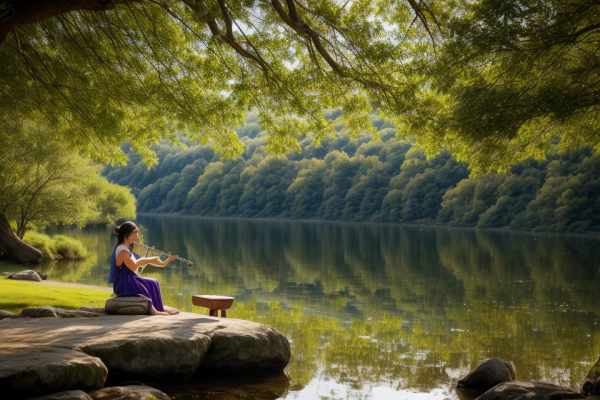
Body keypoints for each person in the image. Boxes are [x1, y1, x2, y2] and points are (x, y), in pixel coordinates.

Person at [109, 221, 176, 316]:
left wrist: (164, 262)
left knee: (155, 282)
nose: (138, 235)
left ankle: (158, 308)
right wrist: (149, 260)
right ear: (126, 235)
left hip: (130, 278)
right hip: (124, 282)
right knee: (151, 283)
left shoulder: (126, 248)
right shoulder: (122, 251)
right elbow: (133, 266)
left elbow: (136, 264)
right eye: (135, 232)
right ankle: (153, 310)